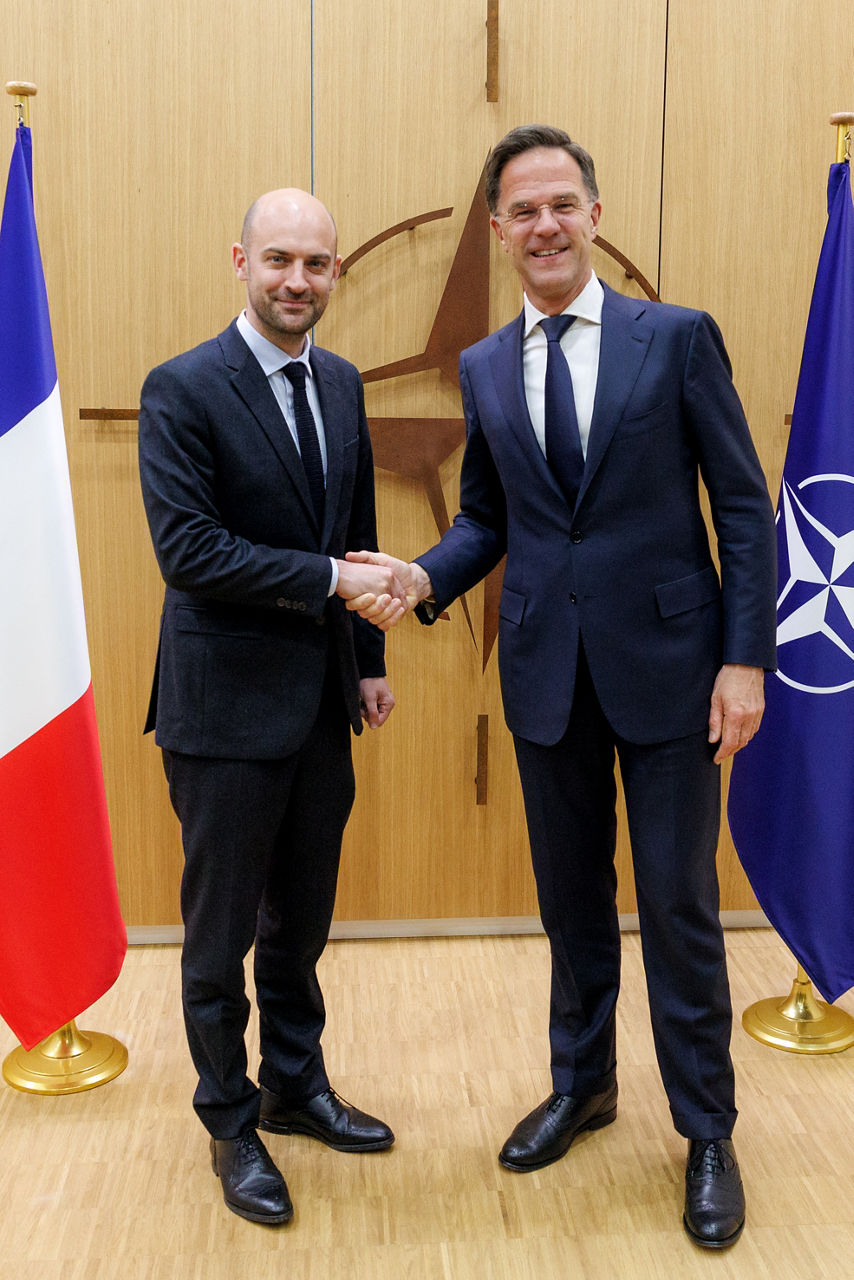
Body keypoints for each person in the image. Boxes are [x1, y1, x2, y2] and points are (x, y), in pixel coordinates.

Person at [346, 125, 776, 1249]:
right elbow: (488, 515)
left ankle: (706, 1129)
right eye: (521, 210)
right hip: (545, 672)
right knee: (570, 902)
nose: (542, 225)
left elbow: (738, 504)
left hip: (675, 673)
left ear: (591, 212)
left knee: (678, 905)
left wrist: (742, 658)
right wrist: (420, 576)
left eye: (560, 204)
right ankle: (582, 1086)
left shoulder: (675, 339)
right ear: (496, 230)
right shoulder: (485, 364)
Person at [138, 188, 408, 1226]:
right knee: (217, 938)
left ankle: (297, 1087)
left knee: (299, 923)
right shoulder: (183, 388)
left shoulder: (339, 383)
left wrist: (370, 652)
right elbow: (190, 551)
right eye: (280, 260)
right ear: (241, 260)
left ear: (335, 274)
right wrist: (333, 585)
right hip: (220, 714)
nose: (298, 280)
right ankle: (229, 1116)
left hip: (321, 703)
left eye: (318, 264)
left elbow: (356, 531)